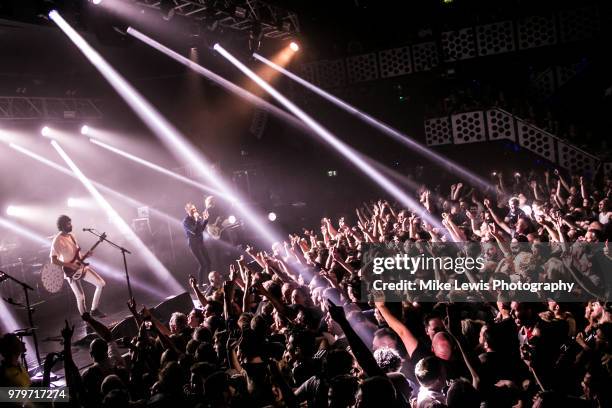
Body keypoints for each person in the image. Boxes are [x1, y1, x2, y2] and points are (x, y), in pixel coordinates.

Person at [50, 215, 106, 317]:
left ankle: (94, 309)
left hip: (81, 267)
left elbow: (76, 254)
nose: (71, 225)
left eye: (70, 223)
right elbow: (53, 260)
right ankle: (87, 321)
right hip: (70, 271)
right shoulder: (57, 240)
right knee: (80, 297)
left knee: (100, 284)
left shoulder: (72, 236)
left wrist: (86, 255)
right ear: (62, 225)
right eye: (68, 224)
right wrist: (69, 265)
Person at [183, 202, 211, 285]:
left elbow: (201, 229)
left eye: (195, 209)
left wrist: (205, 220)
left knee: (208, 262)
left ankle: (209, 282)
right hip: (193, 245)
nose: (194, 210)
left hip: (201, 243)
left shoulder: (196, 218)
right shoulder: (186, 221)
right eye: (192, 209)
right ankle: (200, 285)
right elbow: (194, 231)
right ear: (187, 211)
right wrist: (197, 220)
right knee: (202, 264)